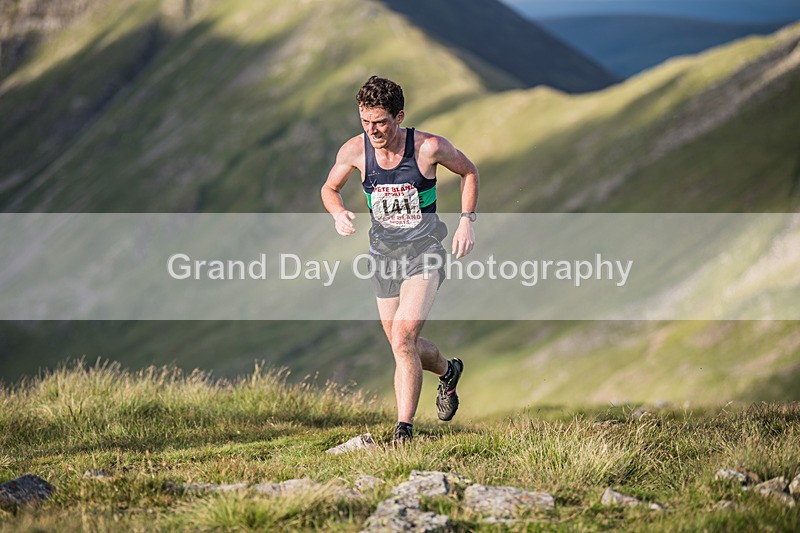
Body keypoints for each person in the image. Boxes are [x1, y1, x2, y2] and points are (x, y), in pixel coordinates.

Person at [321, 76, 479, 444]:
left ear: (399, 116)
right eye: (365, 122)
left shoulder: (429, 147)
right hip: (384, 258)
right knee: (399, 342)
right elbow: (330, 188)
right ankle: (448, 371)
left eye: (380, 122)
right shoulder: (355, 151)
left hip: (425, 253)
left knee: (405, 337)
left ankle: (403, 430)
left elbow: (469, 171)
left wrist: (466, 222)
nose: (372, 131)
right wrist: (338, 212)